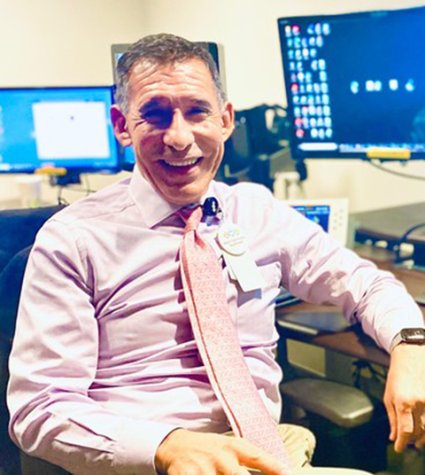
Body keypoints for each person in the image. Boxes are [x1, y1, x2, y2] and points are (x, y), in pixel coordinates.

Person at [7, 33, 425, 475]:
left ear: (225, 120)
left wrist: (411, 345)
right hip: (148, 462)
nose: (179, 138)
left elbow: (365, 284)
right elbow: (40, 408)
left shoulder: (256, 210)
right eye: (154, 115)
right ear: (121, 125)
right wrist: (166, 446)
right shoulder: (73, 239)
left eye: (196, 111)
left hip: (266, 455)